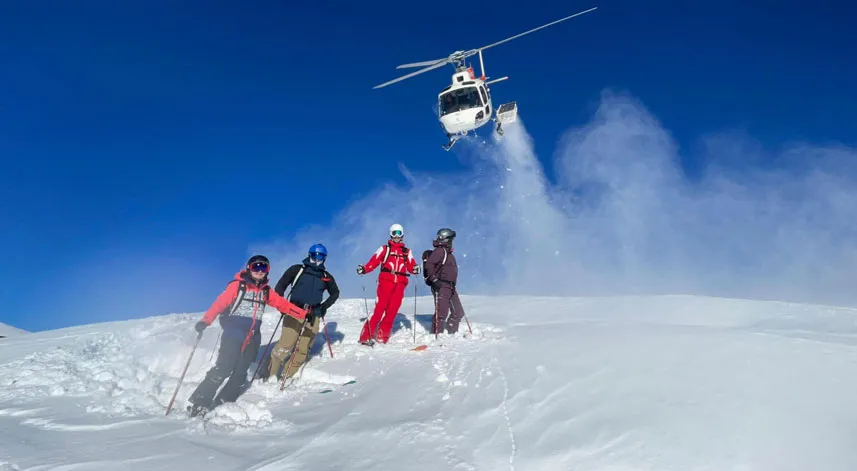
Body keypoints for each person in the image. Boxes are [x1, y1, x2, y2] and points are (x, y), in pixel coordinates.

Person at [186, 255, 308, 417]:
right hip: (233, 335)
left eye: (263, 268)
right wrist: (205, 321)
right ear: (249, 268)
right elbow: (220, 303)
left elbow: (282, 304)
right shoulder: (238, 286)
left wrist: (302, 314)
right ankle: (200, 402)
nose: (259, 271)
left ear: (267, 271)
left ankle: (223, 401)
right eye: (256, 266)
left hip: (252, 337)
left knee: (241, 372)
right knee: (224, 367)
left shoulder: (266, 291)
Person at [267, 243, 340, 381]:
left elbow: (335, 293)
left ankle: (286, 376)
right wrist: (282, 305)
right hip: (294, 310)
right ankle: (270, 374)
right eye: (314, 255)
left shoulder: (326, 276)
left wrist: (324, 307)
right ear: (309, 255)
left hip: (314, 314)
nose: (317, 259)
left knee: (303, 348)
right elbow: (281, 285)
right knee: (286, 345)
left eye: (320, 256)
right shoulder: (297, 269)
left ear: (324, 258)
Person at [357, 223, 420, 345]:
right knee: (380, 308)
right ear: (391, 234)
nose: (397, 236)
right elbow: (374, 261)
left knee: (392, 310)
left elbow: (411, 266)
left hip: (400, 283)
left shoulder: (407, 252)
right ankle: (366, 337)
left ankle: (382, 336)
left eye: (399, 233)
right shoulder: (385, 249)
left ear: (402, 235)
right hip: (386, 281)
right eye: (394, 233)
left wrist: (415, 269)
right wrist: (364, 269)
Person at [423, 228, 466, 334]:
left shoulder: (449, 254)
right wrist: (434, 280)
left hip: (450, 287)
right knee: (441, 313)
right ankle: (436, 335)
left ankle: (452, 333)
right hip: (441, 285)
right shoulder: (440, 251)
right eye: (451, 239)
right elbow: (429, 264)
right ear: (447, 239)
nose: (452, 242)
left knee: (458, 312)